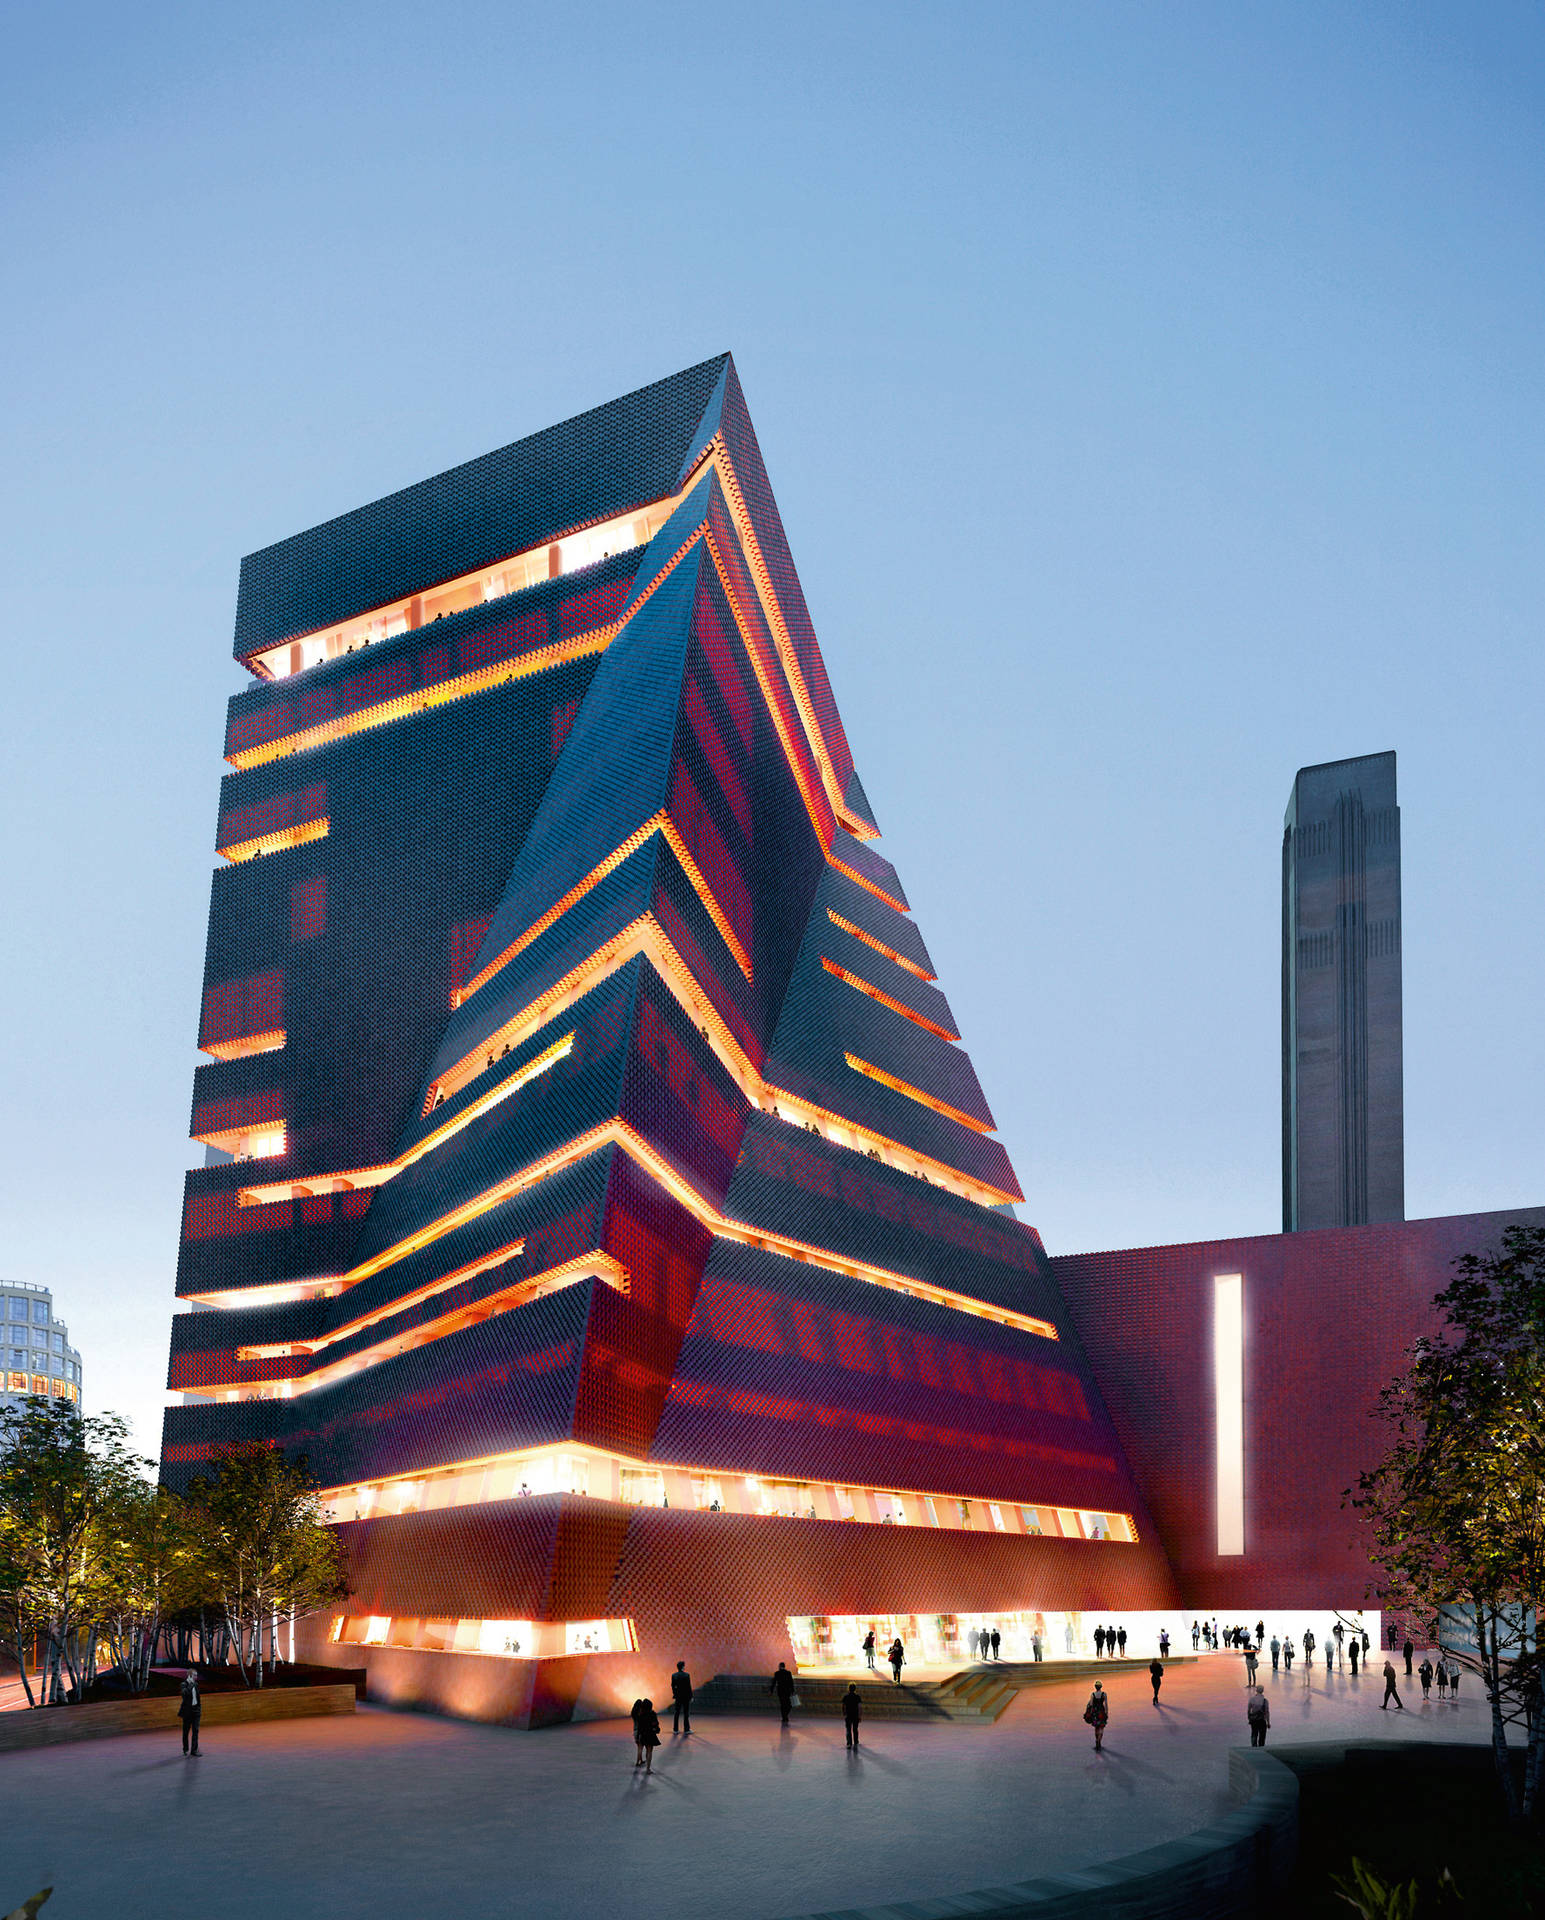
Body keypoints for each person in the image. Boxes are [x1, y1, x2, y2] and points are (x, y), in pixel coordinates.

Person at [178, 1670, 201, 1757]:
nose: (196, 1677)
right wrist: (191, 1685)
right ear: (190, 1676)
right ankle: (185, 1749)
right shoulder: (184, 1684)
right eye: (195, 1675)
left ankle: (194, 1750)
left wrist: (199, 1709)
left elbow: (198, 1698)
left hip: (196, 1711)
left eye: (196, 1675)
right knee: (186, 1731)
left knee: (196, 1731)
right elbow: (184, 1694)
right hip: (187, 1712)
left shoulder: (196, 1684)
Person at [637, 1697, 661, 1773]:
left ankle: (639, 1761)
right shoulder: (653, 1714)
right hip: (651, 1734)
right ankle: (648, 1768)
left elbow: (639, 1726)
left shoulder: (640, 1715)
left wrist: (639, 1735)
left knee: (641, 1748)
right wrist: (656, 1729)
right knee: (649, 1751)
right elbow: (656, 1723)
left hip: (643, 1734)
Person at [1084, 1680, 1108, 1751]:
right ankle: (1099, 1741)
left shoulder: (1093, 1694)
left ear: (1095, 1687)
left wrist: (1088, 1710)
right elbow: (1106, 1704)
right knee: (1101, 1727)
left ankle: (1096, 1740)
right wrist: (1107, 1713)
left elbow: (1091, 1704)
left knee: (1096, 1727)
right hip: (1101, 1711)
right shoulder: (1104, 1694)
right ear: (1101, 1687)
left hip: (1095, 1712)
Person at [670, 1660, 693, 1734]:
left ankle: (675, 1729)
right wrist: (691, 1696)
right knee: (686, 1713)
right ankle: (686, 1729)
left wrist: (675, 1694)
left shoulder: (674, 1675)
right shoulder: (686, 1675)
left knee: (677, 1713)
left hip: (678, 1697)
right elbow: (688, 1687)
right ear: (683, 1667)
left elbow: (673, 1686)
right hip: (686, 1696)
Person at [843, 1683, 862, 1749]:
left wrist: (844, 1713)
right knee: (855, 1729)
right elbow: (859, 1707)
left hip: (848, 1715)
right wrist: (859, 1716)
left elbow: (844, 1706)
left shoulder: (846, 1697)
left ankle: (849, 1743)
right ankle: (856, 1741)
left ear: (849, 1689)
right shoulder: (857, 1697)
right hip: (855, 1715)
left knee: (848, 1729)